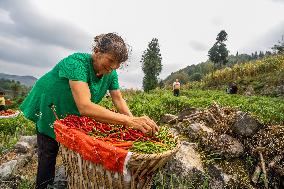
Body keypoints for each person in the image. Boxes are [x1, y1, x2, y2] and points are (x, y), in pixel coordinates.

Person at [20, 33, 159, 189]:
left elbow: (118, 99)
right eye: (111, 60)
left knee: (74, 145)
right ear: (97, 51)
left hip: (72, 109)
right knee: (48, 151)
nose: (113, 67)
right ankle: (44, 185)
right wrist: (128, 121)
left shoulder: (110, 73)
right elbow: (84, 106)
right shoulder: (76, 63)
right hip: (50, 103)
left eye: (117, 64)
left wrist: (135, 123)